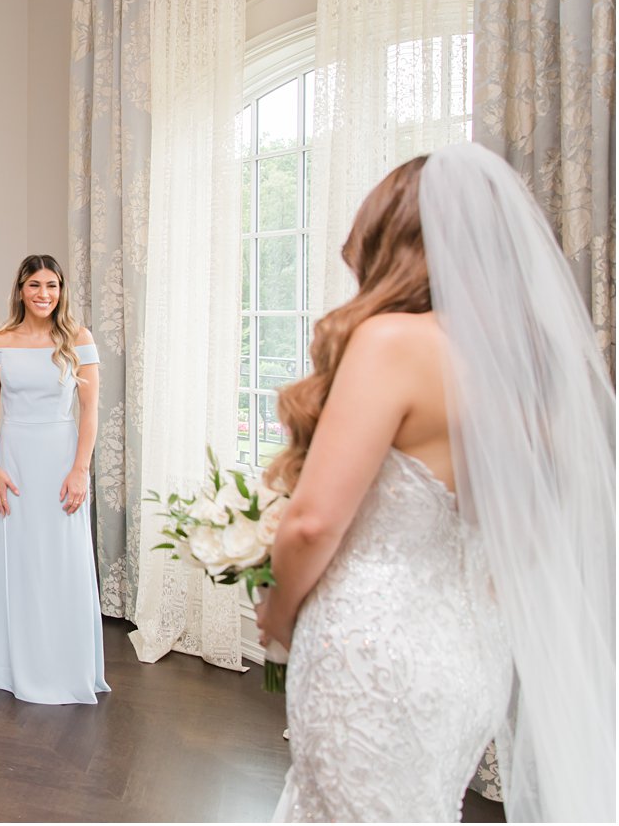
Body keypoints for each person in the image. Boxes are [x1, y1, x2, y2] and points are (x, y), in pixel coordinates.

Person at [257, 144, 615, 822]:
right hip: (473, 656)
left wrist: (276, 611)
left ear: (396, 242)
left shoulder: (395, 341)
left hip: (371, 655)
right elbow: (526, 535)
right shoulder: (529, 366)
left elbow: (312, 522)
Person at [0, 255, 107, 705]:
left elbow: (90, 410)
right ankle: (19, 666)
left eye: (51, 285)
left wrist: (80, 469)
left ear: (61, 290)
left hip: (60, 456)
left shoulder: (78, 338)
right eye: (34, 285)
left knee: (63, 559)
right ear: (20, 290)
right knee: (22, 560)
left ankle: (66, 665)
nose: (43, 294)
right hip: (15, 460)